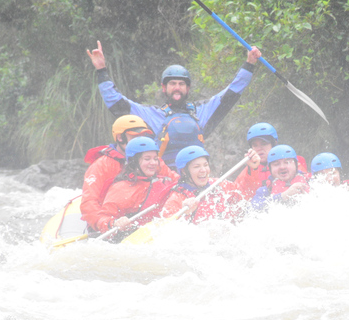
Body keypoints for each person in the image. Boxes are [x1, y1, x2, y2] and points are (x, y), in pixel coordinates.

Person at [86, 40, 262, 164]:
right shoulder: (152, 114)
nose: (177, 88)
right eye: (172, 84)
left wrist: (249, 64)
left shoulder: (202, 111)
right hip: (165, 180)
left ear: (188, 88)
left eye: (181, 84)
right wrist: (101, 70)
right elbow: (116, 103)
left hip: (197, 178)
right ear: (164, 88)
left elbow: (231, 94)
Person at [80, 115, 177, 231]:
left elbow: (176, 181)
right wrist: (108, 223)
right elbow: (89, 203)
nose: (141, 140)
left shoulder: (152, 160)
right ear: (120, 138)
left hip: (140, 216)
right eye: (135, 136)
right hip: (111, 219)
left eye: (143, 136)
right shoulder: (101, 166)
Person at [94, 137, 178, 240]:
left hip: (160, 233)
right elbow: (102, 218)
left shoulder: (164, 181)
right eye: (147, 159)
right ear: (134, 161)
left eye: (155, 159)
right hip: (133, 238)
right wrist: (115, 222)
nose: (153, 163)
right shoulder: (122, 189)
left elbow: (182, 190)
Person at [162, 146, 253, 224]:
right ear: (184, 171)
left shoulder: (219, 185)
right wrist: (185, 214)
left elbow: (245, 194)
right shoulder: (176, 199)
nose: (203, 170)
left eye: (205, 165)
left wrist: (252, 169)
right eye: (196, 167)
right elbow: (169, 230)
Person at [234, 122, 307, 199]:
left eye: (264, 143)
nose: (259, 148)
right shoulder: (248, 172)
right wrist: (253, 169)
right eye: (255, 145)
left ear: (273, 144)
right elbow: (244, 199)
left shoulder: (291, 164)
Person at [251, 144, 310, 210]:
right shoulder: (265, 191)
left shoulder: (311, 182)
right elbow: (251, 209)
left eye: (287, 162)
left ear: (296, 165)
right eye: (276, 164)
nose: (282, 167)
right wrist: (283, 196)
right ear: (270, 169)